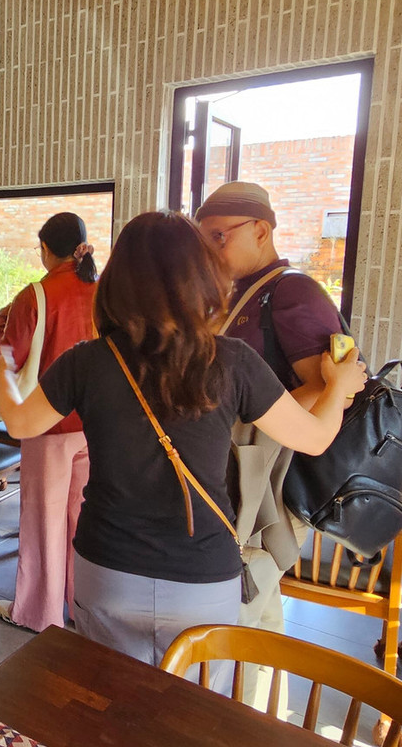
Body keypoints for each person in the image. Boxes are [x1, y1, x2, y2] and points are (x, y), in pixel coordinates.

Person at [0, 211, 366, 668]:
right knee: (195, 706)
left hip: (108, 567)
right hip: (202, 575)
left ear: (117, 283)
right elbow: (315, 438)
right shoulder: (233, 361)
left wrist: (5, 372)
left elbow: (20, 424)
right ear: (202, 277)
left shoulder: (87, 361)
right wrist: (338, 387)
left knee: (106, 698)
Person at [195, 181, 343, 702]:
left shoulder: (293, 291)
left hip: (271, 480)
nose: (211, 250)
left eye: (219, 236)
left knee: (243, 600)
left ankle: (236, 717)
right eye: (205, 240)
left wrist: (247, 418)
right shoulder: (243, 293)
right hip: (244, 473)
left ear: (261, 230)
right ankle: (261, 715)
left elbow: (330, 388)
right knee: (257, 604)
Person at [0, 213, 98, 632]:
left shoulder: (35, 295)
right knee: (82, 519)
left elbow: (10, 357)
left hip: (47, 423)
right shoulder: (102, 291)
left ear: (47, 249)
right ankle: (80, 605)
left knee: (44, 520)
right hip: (93, 425)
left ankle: (39, 612)